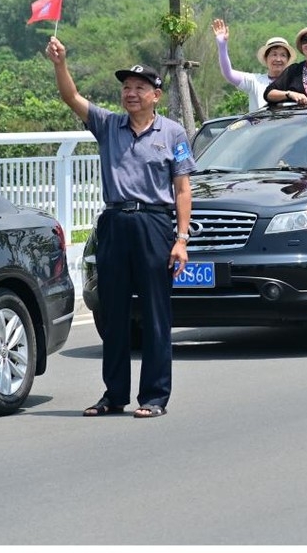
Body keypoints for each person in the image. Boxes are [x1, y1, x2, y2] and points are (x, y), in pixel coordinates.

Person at [45, 38, 194, 419]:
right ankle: (114, 395)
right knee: (113, 315)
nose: (131, 94)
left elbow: (181, 188)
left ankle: (155, 397)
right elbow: (71, 97)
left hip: (154, 225)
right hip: (115, 222)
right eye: (126, 88)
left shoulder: (173, 133)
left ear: (156, 95)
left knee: (156, 314)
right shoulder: (108, 125)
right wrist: (60, 63)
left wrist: (181, 239)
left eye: (139, 88)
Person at [211, 18, 295, 111]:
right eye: (274, 54)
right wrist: (222, 45)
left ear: (288, 60)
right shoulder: (255, 81)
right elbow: (228, 74)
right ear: (265, 58)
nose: (278, 59)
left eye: (283, 55)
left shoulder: (296, 83)